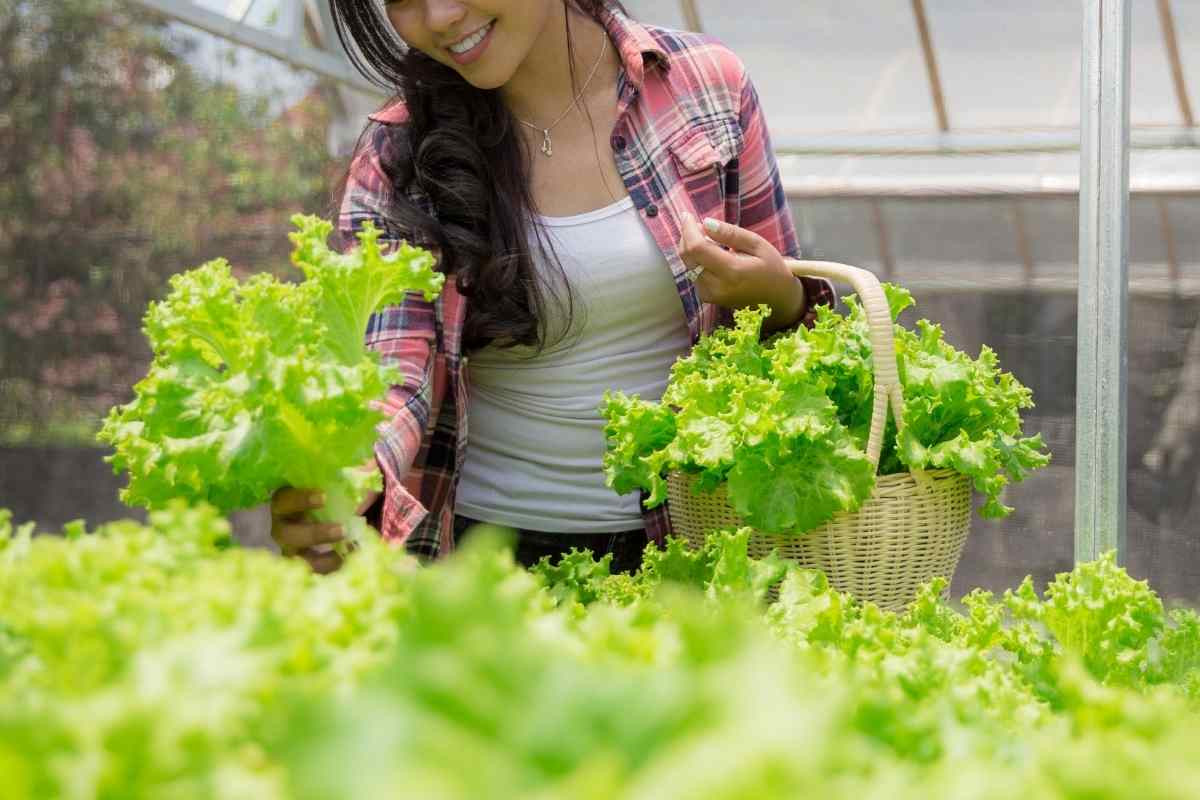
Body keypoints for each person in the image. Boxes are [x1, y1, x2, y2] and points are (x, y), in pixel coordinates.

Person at [270, 0, 835, 575]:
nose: (439, 17)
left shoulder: (706, 86)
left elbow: (804, 362)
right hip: (488, 563)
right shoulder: (395, 155)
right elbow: (392, 371)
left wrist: (783, 298)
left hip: (696, 544)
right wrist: (350, 469)